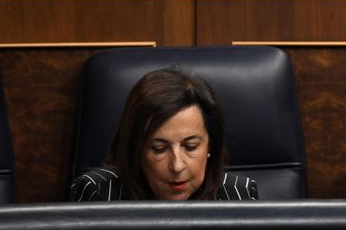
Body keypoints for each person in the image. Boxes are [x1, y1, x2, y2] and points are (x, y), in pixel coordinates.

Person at [71, 68, 258, 201]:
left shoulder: (238, 194)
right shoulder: (98, 193)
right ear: (136, 150)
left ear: (210, 146)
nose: (177, 166)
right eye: (159, 149)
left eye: (190, 146)